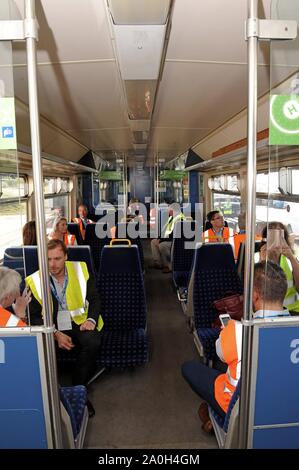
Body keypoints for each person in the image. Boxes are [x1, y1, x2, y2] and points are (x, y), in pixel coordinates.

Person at [181, 261, 289, 432]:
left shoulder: (237, 331)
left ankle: (213, 414)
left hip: (239, 408)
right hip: (285, 406)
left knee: (189, 367)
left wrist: (227, 332)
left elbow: (221, 354)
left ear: (255, 295)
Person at [26, 239, 104, 417]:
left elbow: (95, 299)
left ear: (66, 257)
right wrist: (55, 334)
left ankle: (79, 389)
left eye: (57, 258)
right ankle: (51, 396)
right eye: (48, 259)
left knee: (92, 342)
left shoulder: (80, 270)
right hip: (52, 326)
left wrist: (91, 320)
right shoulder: (36, 280)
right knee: (40, 347)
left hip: (80, 321)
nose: (52, 264)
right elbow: (34, 316)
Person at [260, 221, 299, 313]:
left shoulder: (290, 259)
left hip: (293, 311)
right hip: (267, 312)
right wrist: (263, 260)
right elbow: (258, 288)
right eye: (272, 232)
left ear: (284, 237)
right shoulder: (257, 256)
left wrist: (291, 258)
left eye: (279, 233)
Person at [150, 207, 185, 273]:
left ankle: (169, 266)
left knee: (162, 245)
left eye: (169, 210)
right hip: (169, 239)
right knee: (153, 242)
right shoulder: (171, 218)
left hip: (176, 241)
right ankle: (158, 263)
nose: (168, 211)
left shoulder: (180, 220)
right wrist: (159, 238)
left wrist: (161, 241)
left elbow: (173, 235)